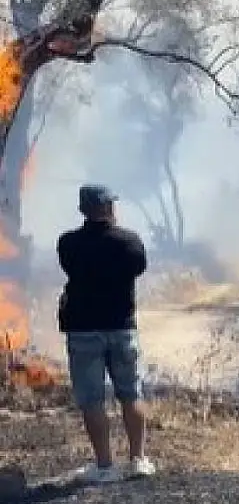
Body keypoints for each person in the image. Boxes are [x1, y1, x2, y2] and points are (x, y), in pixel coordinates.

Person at [57, 184, 154, 484]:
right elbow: (138, 268)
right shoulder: (129, 243)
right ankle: (138, 460)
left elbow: (69, 267)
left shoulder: (68, 243)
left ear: (83, 209)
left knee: (92, 400)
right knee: (131, 393)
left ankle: (104, 466)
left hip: (83, 330)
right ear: (109, 208)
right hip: (122, 328)